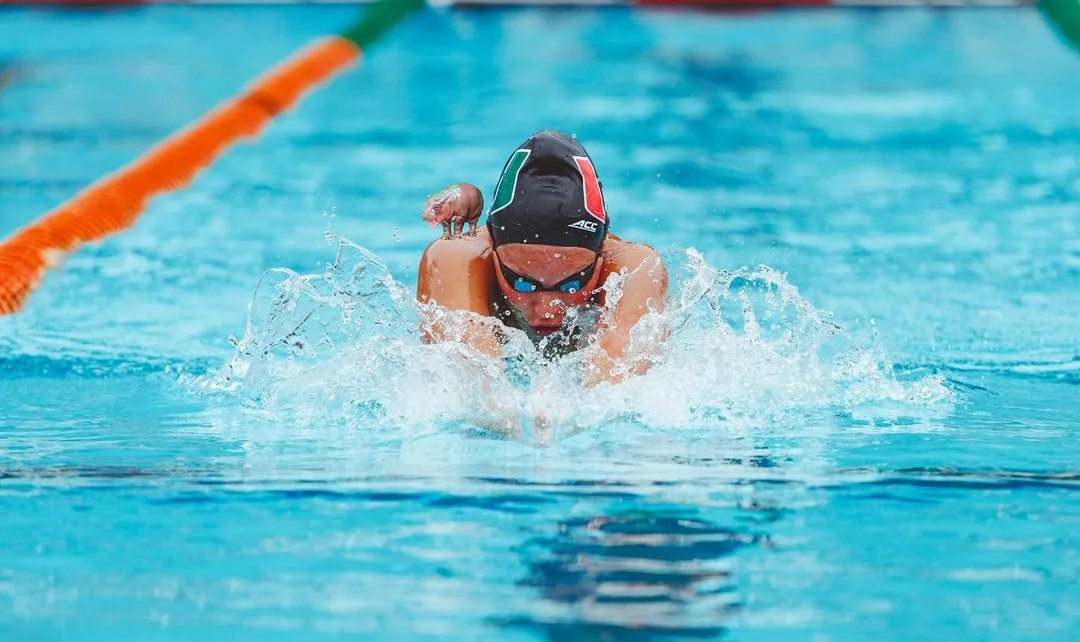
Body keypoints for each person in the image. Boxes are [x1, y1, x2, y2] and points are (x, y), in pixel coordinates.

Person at [416, 130, 667, 386]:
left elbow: (617, 388)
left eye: (572, 285)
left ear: (601, 256)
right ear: (493, 252)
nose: (547, 310)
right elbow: (471, 386)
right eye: (522, 283)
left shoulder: (634, 269)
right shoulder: (455, 259)